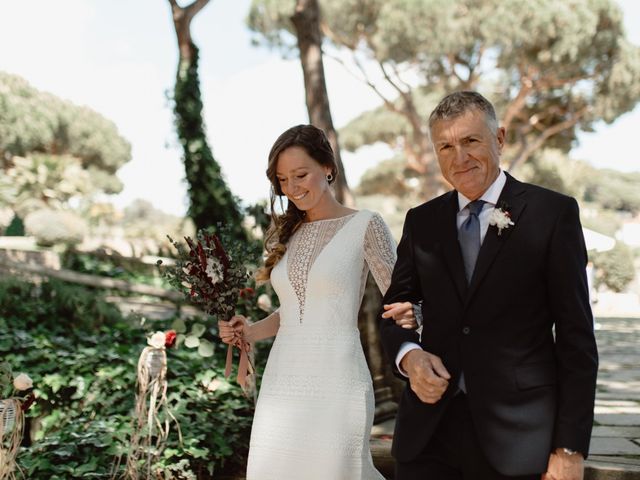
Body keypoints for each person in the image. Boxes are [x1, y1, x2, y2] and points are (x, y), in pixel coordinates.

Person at [380, 91, 598, 480]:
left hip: (518, 439)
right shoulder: (421, 221)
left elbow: (576, 337)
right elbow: (394, 313)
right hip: (427, 439)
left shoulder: (553, 213)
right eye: (445, 146)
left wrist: (569, 447)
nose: (458, 157)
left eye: (470, 141)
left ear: (499, 139)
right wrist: (410, 357)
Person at [219, 124, 416, 480]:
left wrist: (424, 337)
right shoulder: (286, 232)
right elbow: (291, 314)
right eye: (282, 179)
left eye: (301, 174)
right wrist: (246, 331)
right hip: (282, 381)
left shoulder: (366, 224)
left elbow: (401, 300)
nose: (292, 188)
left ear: (327, 167)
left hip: (338, 379)